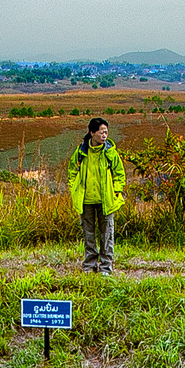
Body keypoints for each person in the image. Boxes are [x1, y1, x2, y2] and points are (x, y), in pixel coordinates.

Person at [67, 117, 125, 274]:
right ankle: (89, 266)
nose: (105, 135)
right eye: (101, 132)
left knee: (107, 235)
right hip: (86, 201)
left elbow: (119, 173)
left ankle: (106, 267)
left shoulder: (110, 152)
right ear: (92, 132)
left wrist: (116, 190)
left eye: (106, 132)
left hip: (106, 200)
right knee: (89, 234)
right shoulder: (81, 152)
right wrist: (74, 188)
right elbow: (72, 171)